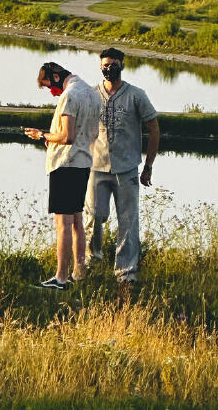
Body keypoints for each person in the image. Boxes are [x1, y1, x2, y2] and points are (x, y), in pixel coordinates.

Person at [85, 47, 160, 283]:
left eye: (113, 64)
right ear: (100, 67)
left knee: (128, 220)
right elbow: (77, 126)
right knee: (94, 216)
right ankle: (91, 262)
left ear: (122, 65)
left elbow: (154, 128)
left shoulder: (136, 95)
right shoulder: (90, 94)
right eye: (105, 65)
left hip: (126, 168)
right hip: (96, 166)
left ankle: (126, 272)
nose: (109, 69)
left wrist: (148, 165)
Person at [24, 60, 101, 290]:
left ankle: (61, 277)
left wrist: (43, 136)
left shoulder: (70, 95)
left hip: (65, 164)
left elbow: (66, 136)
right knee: (77, 220)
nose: (52, 92)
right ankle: (79, 272)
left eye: (50, 86)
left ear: (56, 77)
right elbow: (90, 133)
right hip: (83, 162)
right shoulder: (92, 94)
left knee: (63, 223)